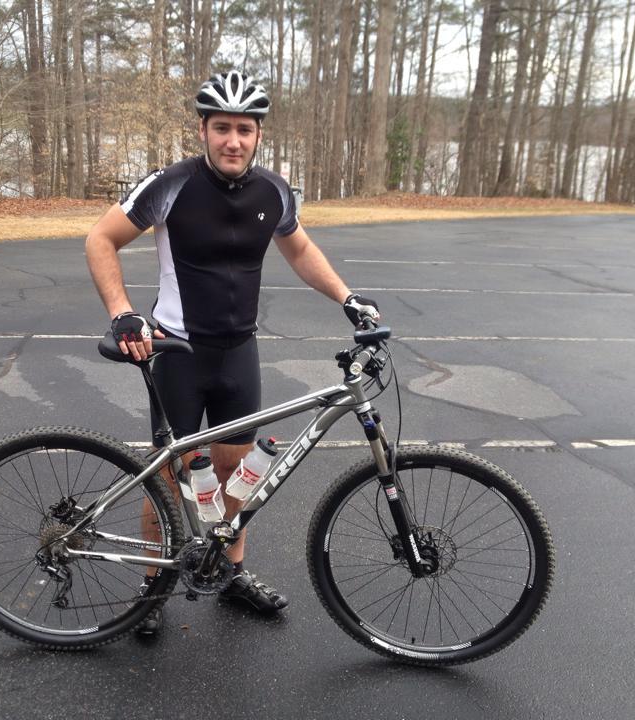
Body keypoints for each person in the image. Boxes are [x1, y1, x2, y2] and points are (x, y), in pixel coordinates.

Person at [85, 70, 379, 635]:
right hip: (176, 353)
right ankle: (152, 587)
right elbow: (101, 239)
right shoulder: (168, 184)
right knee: (169, 479)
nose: (233, 140)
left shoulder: (273, 191)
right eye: (221, 128)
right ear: (203, 129)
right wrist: (122, 312)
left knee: (237, 473)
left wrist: (346, 297)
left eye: (244, 129)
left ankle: (233, 572)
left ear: (258, 134)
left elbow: (300, 249)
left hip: (237, 352)